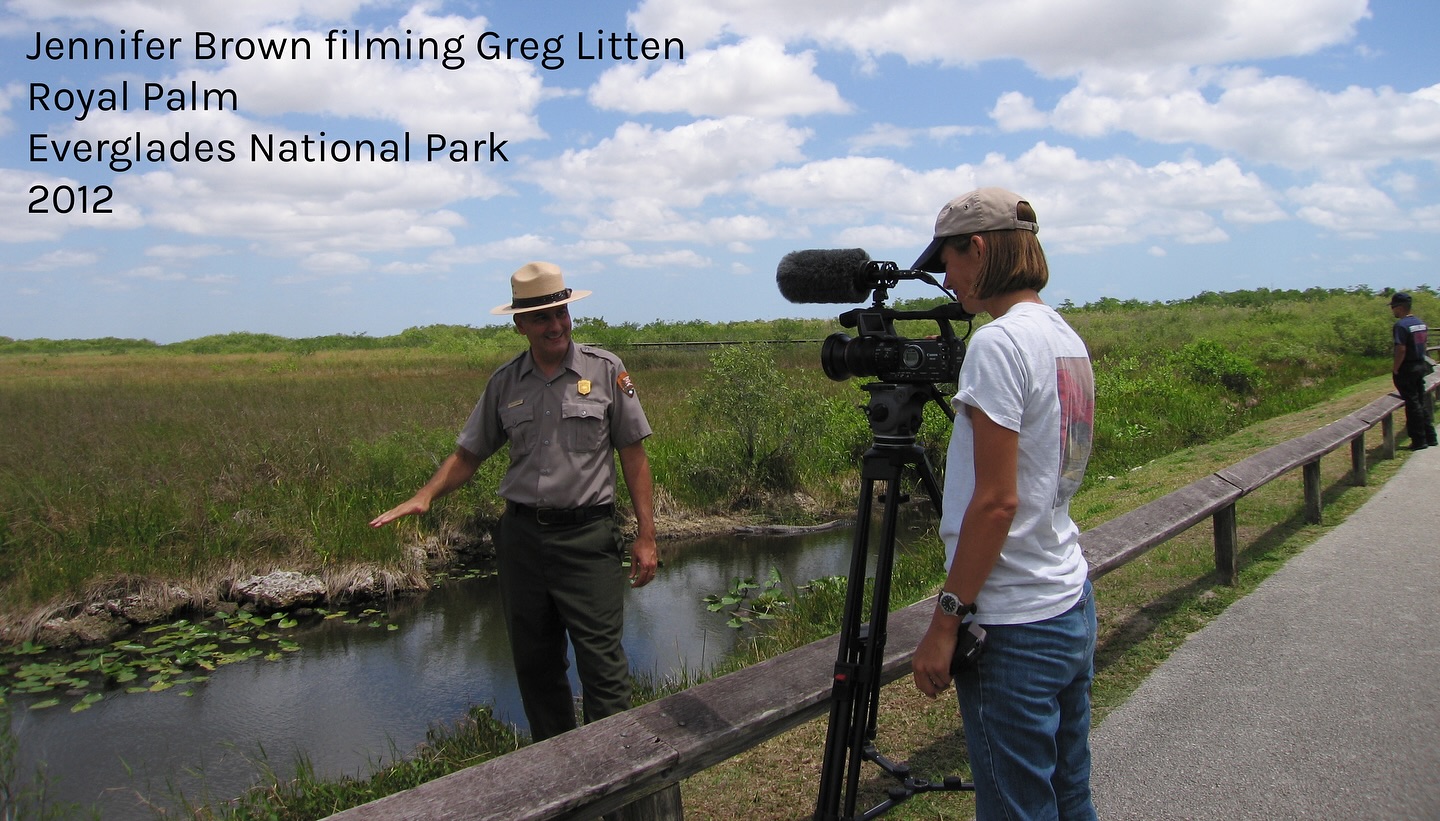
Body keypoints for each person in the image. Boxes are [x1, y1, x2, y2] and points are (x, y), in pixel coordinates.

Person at [370, 261, 659, 741]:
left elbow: (634, 456)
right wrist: (424, 496)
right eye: (543, 317)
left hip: (588, 539)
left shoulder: (605, 371)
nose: (556, 325)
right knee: (536, 665)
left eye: (561, 313)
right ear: (520, 323)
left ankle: (619, 780)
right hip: (522, 540)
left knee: (604, 671)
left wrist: (647, 535)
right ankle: (564, 784)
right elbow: (468, 454)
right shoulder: (505, 383)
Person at [908, 188, 1098, 820]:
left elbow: (995, 503)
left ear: (980, 248)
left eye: (948, 260)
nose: (945, 277)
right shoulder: (1064, 337)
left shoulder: (997, 344)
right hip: (1067, 597)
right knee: (1069, 796)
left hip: (1013, 624)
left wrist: (944, 623)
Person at [1389, 291, 1437, 451]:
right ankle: (1431, 436)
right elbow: (1423, 345)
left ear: (1400, 307)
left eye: (1394, 307)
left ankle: (1419, 440)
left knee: (1412, 404)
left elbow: (1400, 349)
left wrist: (1396, 368)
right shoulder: (1420, 323)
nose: (1392, 310)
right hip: (1420, 365)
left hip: (1407, 368)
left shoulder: (1401, 326)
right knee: (1420, 401)